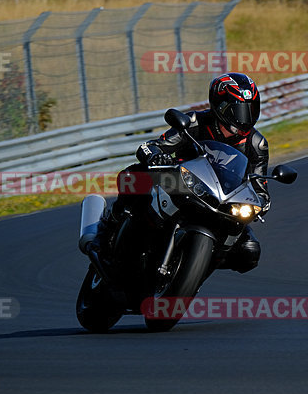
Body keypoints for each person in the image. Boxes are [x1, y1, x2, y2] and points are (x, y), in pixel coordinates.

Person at [90, 72, 269, 273]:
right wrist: (155, 156)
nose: (245, 117)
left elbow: (259, 185)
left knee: (249, 251)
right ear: (221, 107)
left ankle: (195, 269)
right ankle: (108, 227)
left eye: (250, 109)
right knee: (134, 176)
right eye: (239, 110)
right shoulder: (194, 122)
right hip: (181, 184)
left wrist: (261, 201)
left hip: (223, 201)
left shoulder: (256, 144)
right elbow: (151, 146)